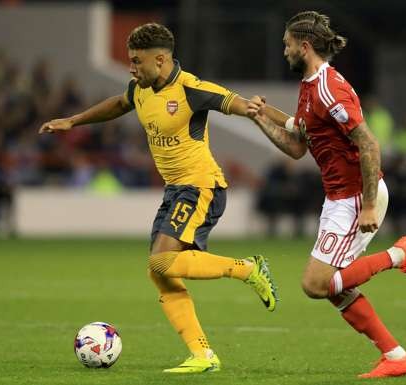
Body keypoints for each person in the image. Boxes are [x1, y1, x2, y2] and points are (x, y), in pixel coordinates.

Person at [38, 23, 277, 373]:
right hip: (175, 190)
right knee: (161, 273)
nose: (132, 68)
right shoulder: (140, 88)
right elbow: (119, 104)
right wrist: (73, 121)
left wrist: (253, 108)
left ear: (161, 59)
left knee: (161, 263)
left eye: (137, 61)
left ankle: (249, 268)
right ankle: (202, 356)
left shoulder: (191, 88)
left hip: (201, 187)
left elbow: (232, 102)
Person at [246, 11, 406, 379]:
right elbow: (297, 143)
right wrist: (259, 115)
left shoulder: (331, 88)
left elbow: (369, 144)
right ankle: (395, 356)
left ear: (305, 45)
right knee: (333, 287)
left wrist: (368, 203)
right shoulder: (309, 85)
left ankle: (400, 254)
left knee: (316, 284)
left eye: (286, 44)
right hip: (338, 199)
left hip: (357, 198)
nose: (283, 51)